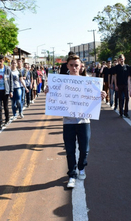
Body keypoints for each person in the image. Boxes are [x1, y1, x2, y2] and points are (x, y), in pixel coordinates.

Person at [45, 54, 106, 188]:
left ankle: (81, 167)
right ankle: (72, 174)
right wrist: (49, 91)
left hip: (84, 121)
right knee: (70, 149)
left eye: (76, 65)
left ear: (81, 66)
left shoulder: (88, 82)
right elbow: (54, 97)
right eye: (71, 65)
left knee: (84, 149)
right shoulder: (61, 82)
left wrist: (102, 95)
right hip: (68, 122)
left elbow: (96, 98)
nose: (74, 68)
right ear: (67, 66)